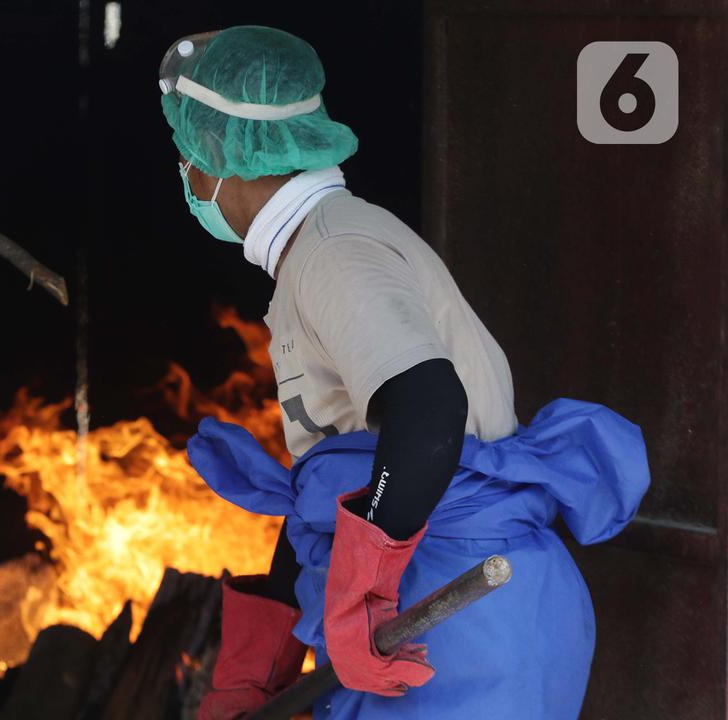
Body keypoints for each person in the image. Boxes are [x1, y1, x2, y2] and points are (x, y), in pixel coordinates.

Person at [160, 26, 650, 719]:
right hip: (443, 618)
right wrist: (259, 665)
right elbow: (335, 481)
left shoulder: (335, 251)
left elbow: (426, 412)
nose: (186, 178)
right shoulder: (317, 252)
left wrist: (363, 594)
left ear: (216, 158)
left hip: (452, 625)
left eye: (185, 158)